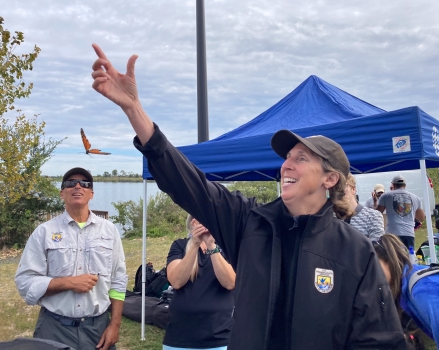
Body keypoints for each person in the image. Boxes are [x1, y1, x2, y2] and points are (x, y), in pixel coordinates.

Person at [91, 43, 405, 349]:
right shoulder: (251, 222)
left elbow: (378, 340)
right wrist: (134, 109)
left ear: (330, 178)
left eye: (301, 158)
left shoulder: (355, 252)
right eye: (287, 157)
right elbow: (188, 184)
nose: (286, 165)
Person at [15, 167, 128, 350]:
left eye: (84, 184)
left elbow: (118, 280)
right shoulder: (44, 232)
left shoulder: (109, 231)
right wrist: (68, 283)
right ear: (62, 193)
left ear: (91, 193)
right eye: (70, 183)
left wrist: (115, 325)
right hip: (54, 328)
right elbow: (24, 282)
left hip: (97, 329)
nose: (77, 186)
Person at [373, 234, 439, 350]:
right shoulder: (411, 278)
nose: (372, 275)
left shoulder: (423, 288)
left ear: (390, 260)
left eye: (375, 267)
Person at [163, 214, 235, 350]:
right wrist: (195, 244)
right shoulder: (179, 245)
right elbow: (176, 281)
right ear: (193, 223)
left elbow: (230, 282)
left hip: (220, 337)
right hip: (180, 337)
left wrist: (211, 245)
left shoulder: (226, 247)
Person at [376, 174, 425, 249]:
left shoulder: (386, 196)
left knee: (392, 258)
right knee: (408, 258)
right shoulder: (416, 198)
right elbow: (421, 217)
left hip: (392, 233)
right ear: (405, 185)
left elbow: (377, 213)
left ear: (393, 185)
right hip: (409, 233)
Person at [345, 174, 385, 240]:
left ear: (353, 189)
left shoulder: (373, 216)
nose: (338, 191)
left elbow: (377, 247)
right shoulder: (330, 217)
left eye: (344, 186)